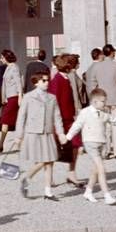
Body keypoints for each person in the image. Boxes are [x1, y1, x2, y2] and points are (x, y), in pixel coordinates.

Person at [11, 71, 67, 200]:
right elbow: (21, 117)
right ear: (36, 83)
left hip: (48, 133)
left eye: (48, 80)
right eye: (44, 81)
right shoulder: (28, 97)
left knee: (50, 161)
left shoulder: (52, 98)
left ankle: (47, 191)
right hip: (34, 133)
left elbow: (57, 117)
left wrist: (61, 133)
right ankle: (27, 177)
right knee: (45, 160)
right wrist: (18, 135)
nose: (47, 83)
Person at [64, 88, 116, 204]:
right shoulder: (85, 112)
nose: (105, 104)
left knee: (96, 169)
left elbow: (115, 121)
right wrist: (68, 137)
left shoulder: (104, 114)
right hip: (90, 143)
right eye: (103, 101)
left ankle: (88, 191)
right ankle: (107, 195)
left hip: (102, 143)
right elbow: (77, 125)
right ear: (94, 102)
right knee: (101, 168)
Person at [48, 55, 84, 188]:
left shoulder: (65, 78)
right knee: (53, 149)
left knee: (76, 145)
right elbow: (53, 101)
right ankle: (49, 177)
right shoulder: (57, 80)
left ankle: (71, 172)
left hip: (68, 119)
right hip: (59, 120)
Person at [89, 44, 116, 157]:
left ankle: (105, 151)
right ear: (112, 53)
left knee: (104, 126)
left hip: (102, 99)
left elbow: (93, 84)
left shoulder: (97, 67)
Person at [0, 49, 20, 153]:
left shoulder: (14, 68)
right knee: (9, 120)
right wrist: (4, 97)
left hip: (14, 97)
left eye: (2, 57)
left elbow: (18, 83)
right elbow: (5, 84)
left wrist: (20, 96)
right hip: (9, 97)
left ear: (7, 57)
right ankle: (1, 144)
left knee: (5, 119)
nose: (1, 59)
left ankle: (1, 144)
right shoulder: (8, 68)